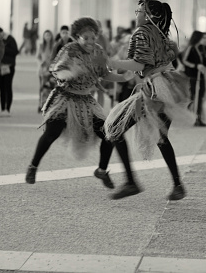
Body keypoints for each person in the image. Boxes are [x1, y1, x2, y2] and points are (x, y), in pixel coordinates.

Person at [25, 17, 135, 192]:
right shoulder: (69, 50)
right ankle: (33, 166)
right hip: (65, 98)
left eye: (93, 38)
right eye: (86, 38)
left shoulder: (98, 51)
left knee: (110, 134)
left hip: (86, 100)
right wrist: (70, 73)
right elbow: (56, 70)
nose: (91, 42)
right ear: (77, 37)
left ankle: (101, 170)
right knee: (51, 133)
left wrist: (122, 78)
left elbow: (103, 73)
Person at [102, 0, 192, 200]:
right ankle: (178, 185)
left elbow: (139, 65)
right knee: (161, 138)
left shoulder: (142, 32)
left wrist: (111, 62)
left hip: (156, 89)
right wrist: (112, 75)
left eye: (140, 11)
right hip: (168, 87)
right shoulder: (161, 34)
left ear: (150, 15)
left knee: (114, 129)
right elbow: (135, 73)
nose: (137, 15)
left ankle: (131, 182)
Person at [182, 30, 206, 126]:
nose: (205, 40)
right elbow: (184, 60)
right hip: (192, 76)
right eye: (203, 38)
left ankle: (198, 117)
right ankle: (191, 117)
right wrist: (195, 66)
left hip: (200, 76)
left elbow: (205, 62)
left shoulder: (202, 49)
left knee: (200, 97)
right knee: (193, 97)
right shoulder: (191, 48)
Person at [0, 27, 19, 117]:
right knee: (1, 87)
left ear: (2, 32)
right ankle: (2, 109)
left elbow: (15, 51)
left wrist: (3, 49)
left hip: (8, 66)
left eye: (0, 34)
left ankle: (7, 109)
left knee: (8, 86)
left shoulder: (10, 39)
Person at [37, 30, 56, 112]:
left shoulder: (54, 46)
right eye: (46, 35)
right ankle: (41, 104)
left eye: (49, 35)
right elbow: (38, 57)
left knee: (52, 87)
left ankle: (50, 104)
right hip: (43, 70)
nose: (47, 37)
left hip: (52, 69)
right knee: (42, 88)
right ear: (43, 37)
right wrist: (41, 63)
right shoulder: (41, 46)